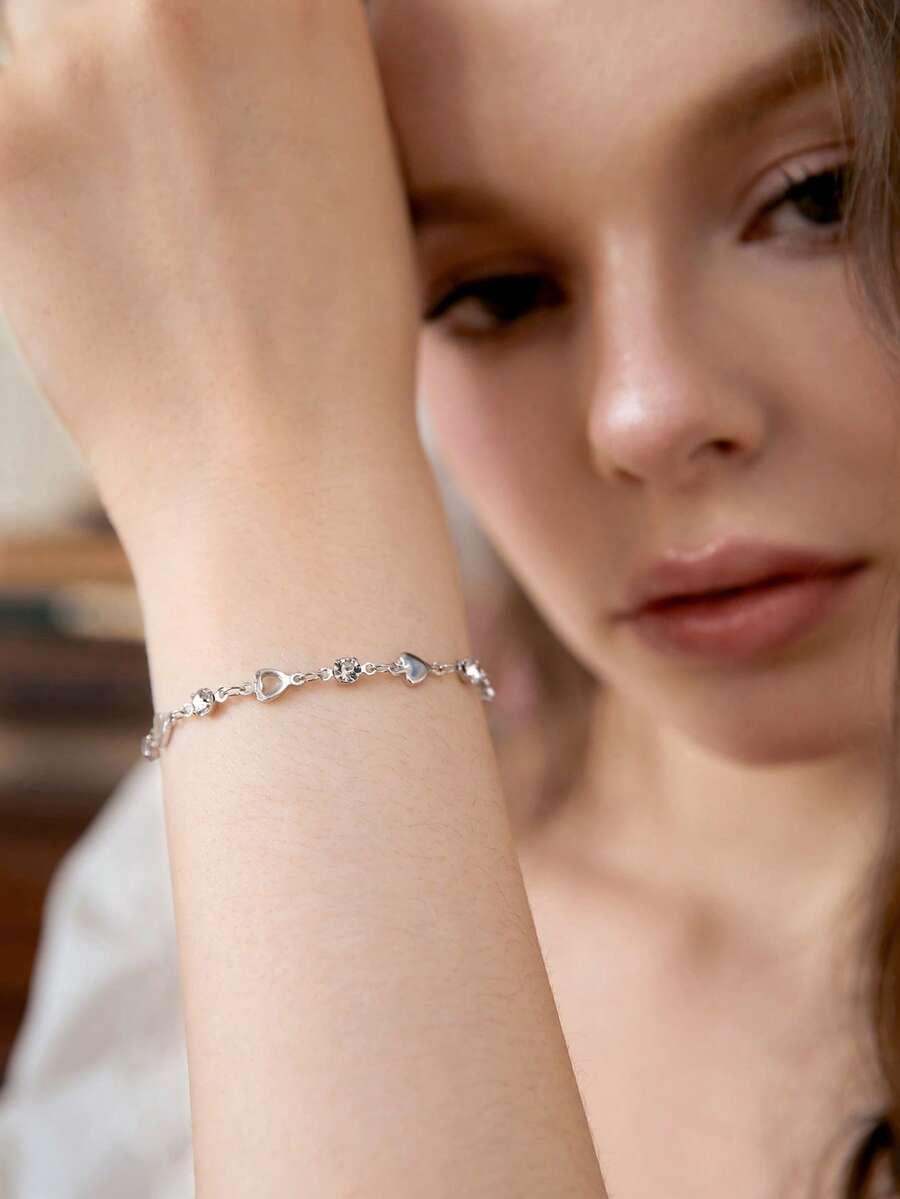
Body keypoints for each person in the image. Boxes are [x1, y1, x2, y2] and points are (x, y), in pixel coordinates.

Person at [0, 0, 898, 1196]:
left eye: (822, 197)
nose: (644, 415)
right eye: (496, 292)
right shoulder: (200, 903)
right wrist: (254, 471)